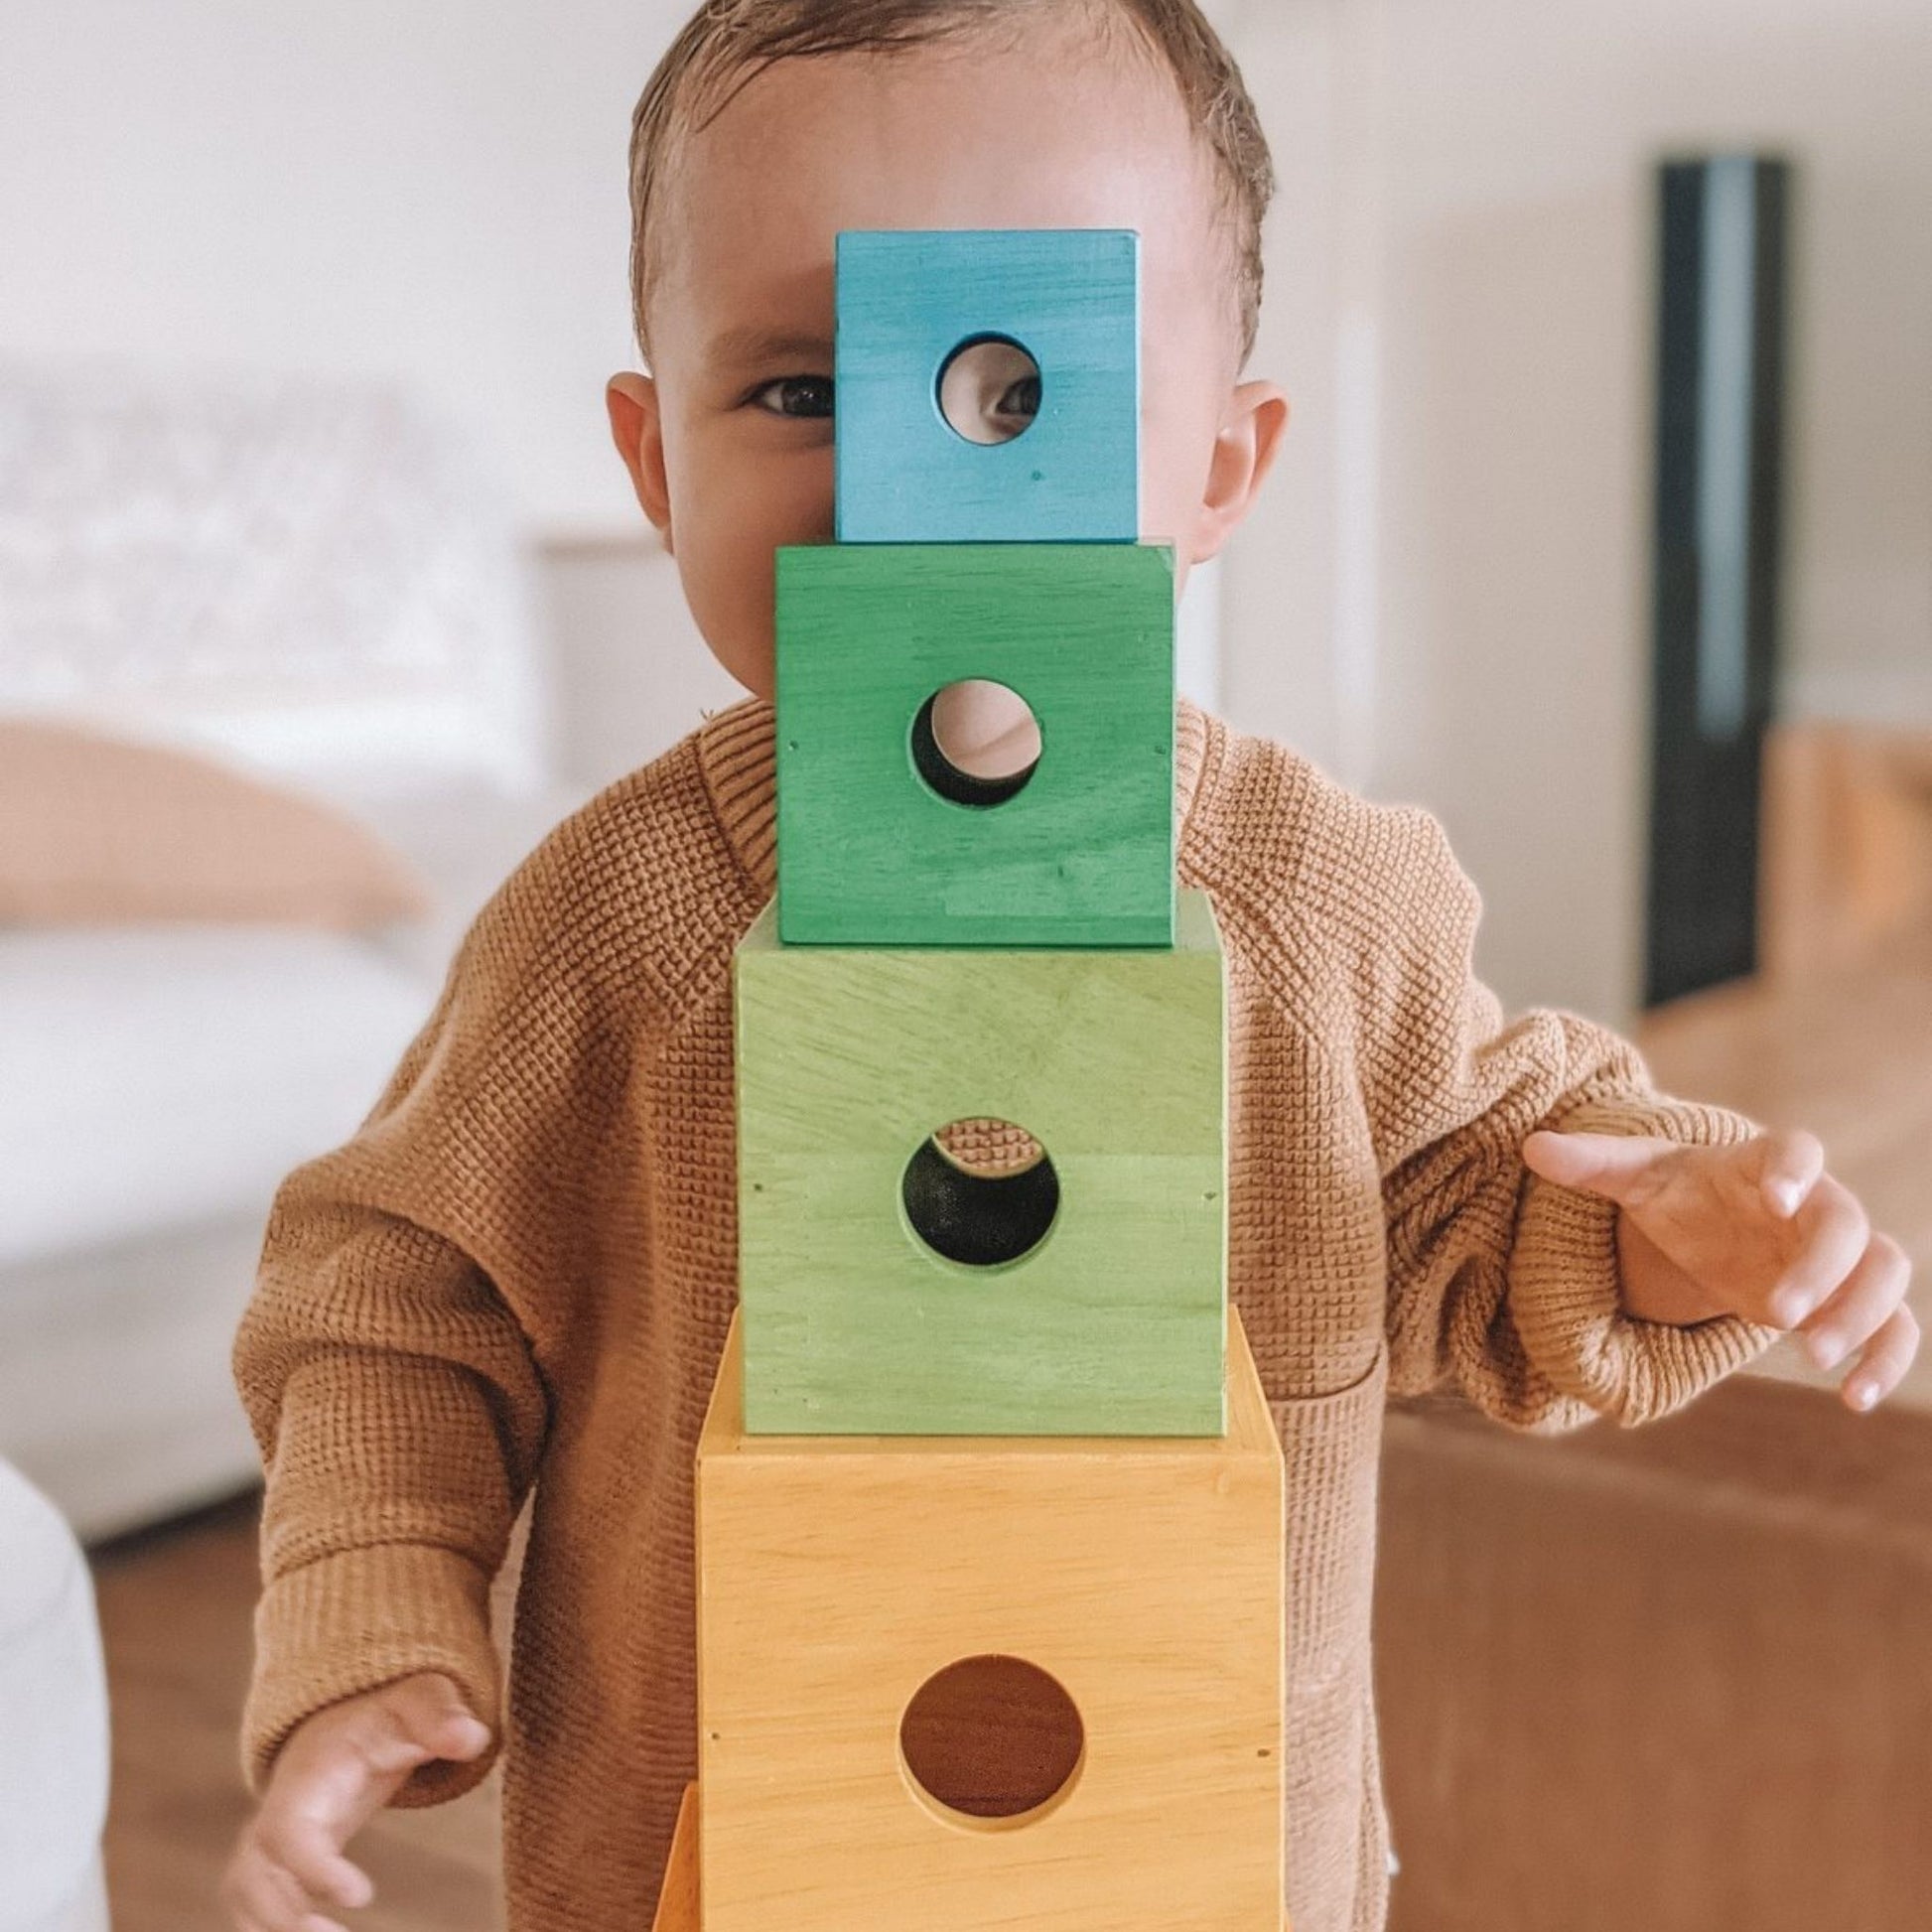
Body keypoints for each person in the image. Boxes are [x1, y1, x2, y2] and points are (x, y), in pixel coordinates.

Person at [218, 4, 1919, 1930]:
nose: (907, 487)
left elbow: (1490, 1178)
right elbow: (389, 1290)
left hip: (1198, 1863)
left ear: (1219, 468)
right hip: (719, 1867)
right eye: (796, 390)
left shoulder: (1318, 901)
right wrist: (373, 1616)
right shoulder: (610, 923)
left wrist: (1673, 1223)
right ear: (650, 458)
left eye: (1020, 396)